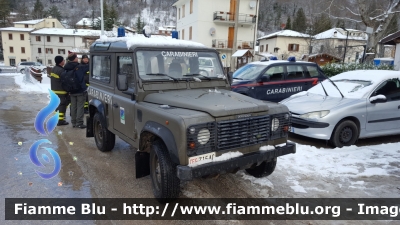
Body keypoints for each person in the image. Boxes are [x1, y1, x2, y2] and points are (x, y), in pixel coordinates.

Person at [64, 53, 88, 129]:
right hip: (80, 90)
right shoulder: (79, 67)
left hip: (71, 90)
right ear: (75, 59)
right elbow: (88, 67)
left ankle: (73, 122)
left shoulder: (66, 67)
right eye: (77, 57)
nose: (77, 58)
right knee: (80, 106)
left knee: (73, 106)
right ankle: (79, 123)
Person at [50, 56, 69, 126]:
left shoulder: (54, 69)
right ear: (61, 62)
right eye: (63, 60)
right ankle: (60, 121)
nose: (64, 61)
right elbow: (65, 81)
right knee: (62, 105)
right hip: (61, 91)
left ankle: (56, 119)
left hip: (55, 90)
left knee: (57, 105)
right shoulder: (61, 70)